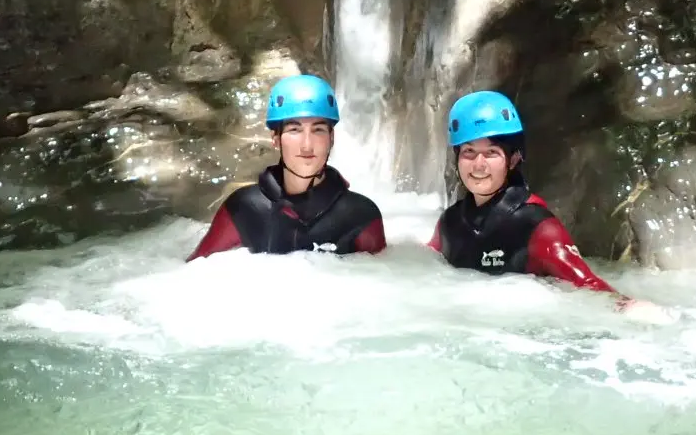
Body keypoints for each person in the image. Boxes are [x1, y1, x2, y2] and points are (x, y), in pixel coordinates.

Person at [429, 91, 664, 319]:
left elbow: (586, 284)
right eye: (469, 152)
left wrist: (626, 305)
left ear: (513, 159)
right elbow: (421, 269)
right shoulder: (451, 222)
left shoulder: (536, 227)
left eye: (491, 152)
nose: (478, 164)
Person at [188, 73, 386, 259]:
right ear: (275, 138)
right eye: (294, 130)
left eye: (318, 130)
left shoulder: (360, 216)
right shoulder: (244, 208)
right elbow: (193, 273)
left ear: (331, 138)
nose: (307, 145)